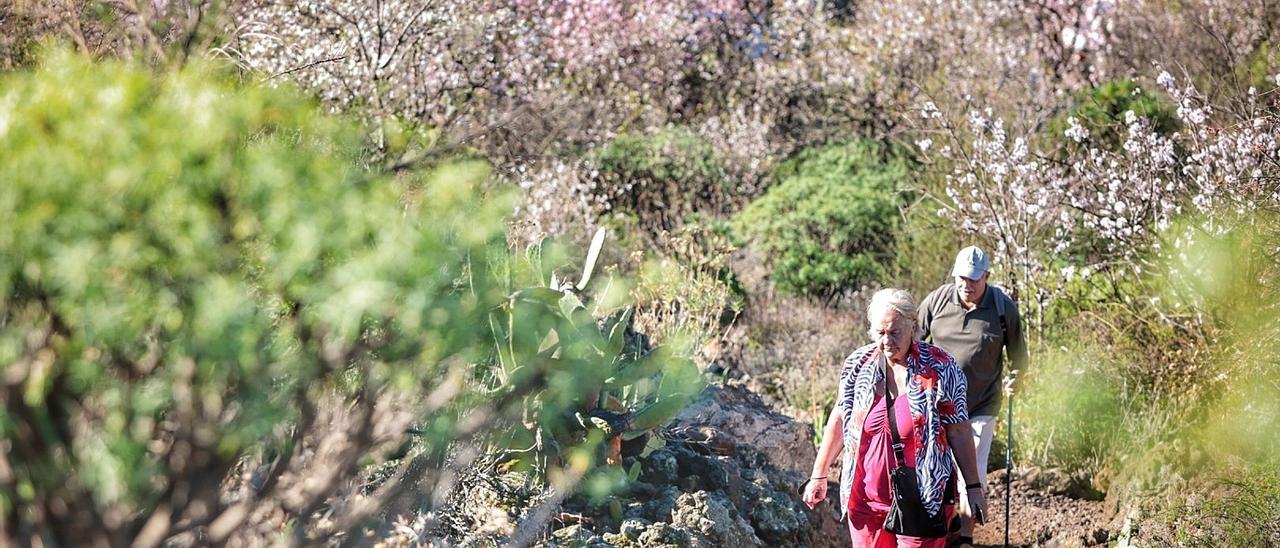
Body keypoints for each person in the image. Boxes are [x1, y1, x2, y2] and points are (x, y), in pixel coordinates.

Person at [804, 288, 988, 547]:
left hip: (923, 500)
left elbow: (959, 430)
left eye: (895, 332)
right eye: (880, 333)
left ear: (913, 326)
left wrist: (973, 488)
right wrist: (819, 474)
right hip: (866, 502)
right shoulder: (859, 365)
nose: (887, 341)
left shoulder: (940, 367)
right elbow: (840, 418)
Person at [916, 246, 1028, 547]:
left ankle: (965, 537)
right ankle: (946, 520)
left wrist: (1015, 380)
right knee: (937, 464)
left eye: (975, 279)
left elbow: (1019, 356)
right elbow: (913, 342)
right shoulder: (937, 301)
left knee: (972, 469)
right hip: (936, 402)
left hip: (981, 403)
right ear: (955, 275)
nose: (968, 284)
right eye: (963, 278)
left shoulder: (1002, 307)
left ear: (987, 277)